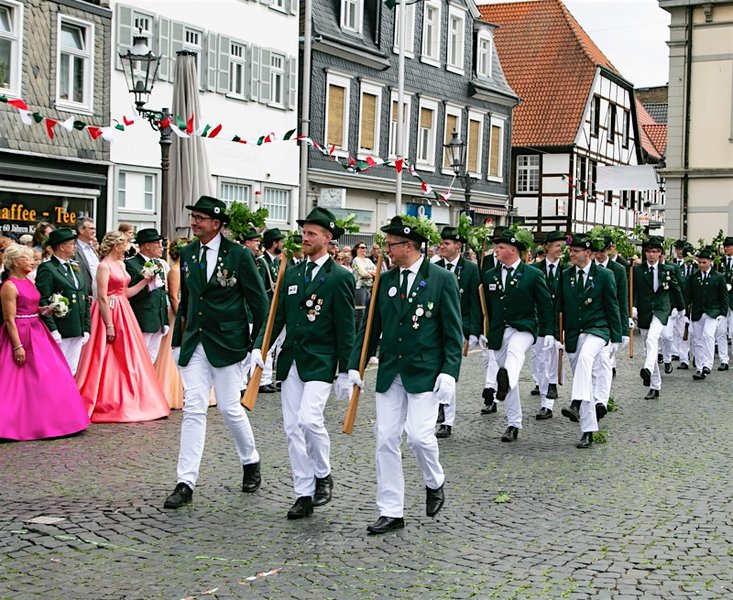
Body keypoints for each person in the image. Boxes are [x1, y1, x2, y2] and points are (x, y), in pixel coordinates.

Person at [348, 215, 463, 534]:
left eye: (390, 244)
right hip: (391, 369)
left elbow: (453, 330)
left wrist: (449, 371)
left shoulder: (440, 279)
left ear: (408, 246)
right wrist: (355, 365)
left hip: (425, 370)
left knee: (419, 436)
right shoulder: (385, 279)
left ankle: (434, 480)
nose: (386, 249)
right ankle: (390, 510)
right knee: (385, 437)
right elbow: (370, 328)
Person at [164, 195, 269, 510]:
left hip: (228, 343)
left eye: (200, 218)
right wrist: (178, 342)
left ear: (216, 223)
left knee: (229, 407)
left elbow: (259, 303)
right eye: (193, 217)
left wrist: (256, 345)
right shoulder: (188, 253)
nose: (194, 222)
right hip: (195, 341)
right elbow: (188, 302)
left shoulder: (238, 254)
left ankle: (250, 460)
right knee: (194, 408)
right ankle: (185, 482)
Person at [252, 207, 355, 519]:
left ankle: (323, 474)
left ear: (327, 237)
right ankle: (303, 492)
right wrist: (260, 347)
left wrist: (345, 370)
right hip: (292, 360)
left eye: (311, 233)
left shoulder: (340, 276)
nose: (305, 238)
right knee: (292, 429)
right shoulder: (293, 273)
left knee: (310, 420)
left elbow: (346, 327)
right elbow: (277, 316)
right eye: (303, 233)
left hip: (321, 360)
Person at [74, 231, 169, 422]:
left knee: (129, 354)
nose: (127, 248)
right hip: (108, 310)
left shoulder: (121, 264)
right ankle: (102, 397)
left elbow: (126, 292)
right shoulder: (103, 266)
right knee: (103, 354)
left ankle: (132, 396)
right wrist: (108, 324)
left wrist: (145, 281)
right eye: (125, 244)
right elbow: (102, 297)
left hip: (124, 309)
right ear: (116, 245)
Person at [0, 244, 90, 441]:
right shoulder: (9, 286)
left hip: (37, 329)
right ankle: (12, 423)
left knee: (49, 374)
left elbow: (30, 305)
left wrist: (44, 309)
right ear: (15, 262)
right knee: (15, 379)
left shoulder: (28, 281)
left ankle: (55, 419)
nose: (32, 262)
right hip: (20, 332)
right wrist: (17, 346)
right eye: (26, 259)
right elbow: (9, 319)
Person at [481, 229, 554, 442]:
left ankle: (506, 381)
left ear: (513, 250)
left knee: (515, 352)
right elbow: (485, 307)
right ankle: (513, 423)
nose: (496, 250)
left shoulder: (532, 274)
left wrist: (550, 332)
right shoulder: (490, 275)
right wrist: (480, 331)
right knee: (506, 373)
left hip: (525, 327)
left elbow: (545, 305)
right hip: (498, 331)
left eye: (500, 247)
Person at [557, 234, 622, 449]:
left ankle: (576, 401)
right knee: (583, 378)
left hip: (598, 329)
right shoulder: (565, 275)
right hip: (574, 333)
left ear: (588, 253)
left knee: (586, 357)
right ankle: (588, 430)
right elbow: (559, 307)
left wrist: (616, 336)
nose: (571, 254)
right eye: (570, 251)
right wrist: (554, 335)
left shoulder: (604, 275)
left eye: (576, 251)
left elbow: (612, 305)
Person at [433, 226, 482, 438]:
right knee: (436, 369)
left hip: (459, 327)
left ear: (458, 246)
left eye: (446, 243)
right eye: (441, 243)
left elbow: (476, 302)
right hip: (435, 327)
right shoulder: (434, 268)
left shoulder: (470, 269)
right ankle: (437, 409)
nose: (442, 247)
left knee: (449, 370)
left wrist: (475, 331)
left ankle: (447, 419)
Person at [632, 236, 685, 398]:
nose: (651, 255)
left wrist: (681, 308)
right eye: (648, 251)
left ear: (660, 253)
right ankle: (655, 385)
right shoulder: (637, 271)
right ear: (645, 253)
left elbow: (676, 288)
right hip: (644, 310)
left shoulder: (667, 270)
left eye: (654, 252)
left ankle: (647, 368)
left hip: (662, 309)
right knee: (648, 347)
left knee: (652, 338)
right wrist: (631, 308)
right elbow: (632, 291)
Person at [35, 227, 91, 375]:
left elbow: (84, 297)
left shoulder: (74, 266)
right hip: (61, 327)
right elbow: (43, 300)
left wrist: (86, 327)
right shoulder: (48, 268)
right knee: (57, 370)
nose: (74, 247)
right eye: (71, 244)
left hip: (77, 326)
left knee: (72, 370)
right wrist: (53, 329)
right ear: (61, 247)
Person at [528, 230, 566, 420]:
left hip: (560, 321)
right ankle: (546, 398)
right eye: (558, 246)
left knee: (554, 358)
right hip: (540, 321)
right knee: (540, 360)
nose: (561, 250)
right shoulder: (535, 270)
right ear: (547, 247)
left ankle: (550, 396)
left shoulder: (567, 270)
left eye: (562, 246)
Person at [592, 235, 631, 408]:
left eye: (602, 251)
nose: (599, 255)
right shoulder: (589, 267)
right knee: (592, 362)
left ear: (608, 250)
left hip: (610, 320)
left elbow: (622, 299)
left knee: (604, 360)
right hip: (592, 319)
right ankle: (592, 396)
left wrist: (623, 329)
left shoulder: (618, 269)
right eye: (596, 252)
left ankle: (601, 399)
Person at [155, 237, 189, 409]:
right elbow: (174, 296)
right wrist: (182, 315)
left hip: (186, 310)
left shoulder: (186, 269)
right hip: (177, 313)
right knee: (174, 349)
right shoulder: (175, 270)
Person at [125, 228, 169, 363]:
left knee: (152, 358)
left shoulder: (158, 263)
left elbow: (161, 292)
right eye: (157, 244)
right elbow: (130, 293)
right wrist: (147, 284)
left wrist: (165, 319)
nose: (161, 247)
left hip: (158, 318)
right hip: (143, 318)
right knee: (138, 359)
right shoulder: (131, 264)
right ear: (147, 245)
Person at [687, 247, 728, 380]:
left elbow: (724, 296)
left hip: (713, 311)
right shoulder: (694, 277)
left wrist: (723, 313)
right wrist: (686, 312)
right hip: (698, 311)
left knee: (708, 335)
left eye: (704, 262)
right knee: (697, 339)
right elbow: (689, 296)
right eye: (699, 262)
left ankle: (707, 364)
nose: (701, 265)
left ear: (710, 262)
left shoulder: (718, 277)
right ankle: (699, 368)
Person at [256, 227, 285, 394]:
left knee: (272, 346)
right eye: (280, 241)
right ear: (274, 244)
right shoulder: (262, 262)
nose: (282, 244)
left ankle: (267, 378)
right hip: (266, 308)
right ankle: (261, 380)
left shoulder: (275, 262)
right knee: (265, 345)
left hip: (274, 308)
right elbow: (260, 289)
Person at [714, 236, 733, 371]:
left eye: (728, 246)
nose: (726, 248)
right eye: (725, 246)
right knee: (721, 331)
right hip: (721, 300)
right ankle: (723, 360)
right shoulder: (718, 262)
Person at [351, 240, 377, 333]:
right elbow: (363, 273)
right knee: (360, 312)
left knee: (367, 311)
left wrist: (369, 273)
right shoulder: (356, 260)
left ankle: (364, 333)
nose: (364, 249)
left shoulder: (368, 260)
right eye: (362, 247)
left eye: (365, 247)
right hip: (359, 288)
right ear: (357, 249)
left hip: (369, 288)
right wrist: (370, 273)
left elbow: (377, 271)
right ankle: (357, 333)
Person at [74, 216, 99, 298]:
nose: (94, 231)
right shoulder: (73, 248)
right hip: (83, 295)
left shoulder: (92, 248)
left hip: (97, 294)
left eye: (94, 229)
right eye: (91, 228)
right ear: (81, 230)